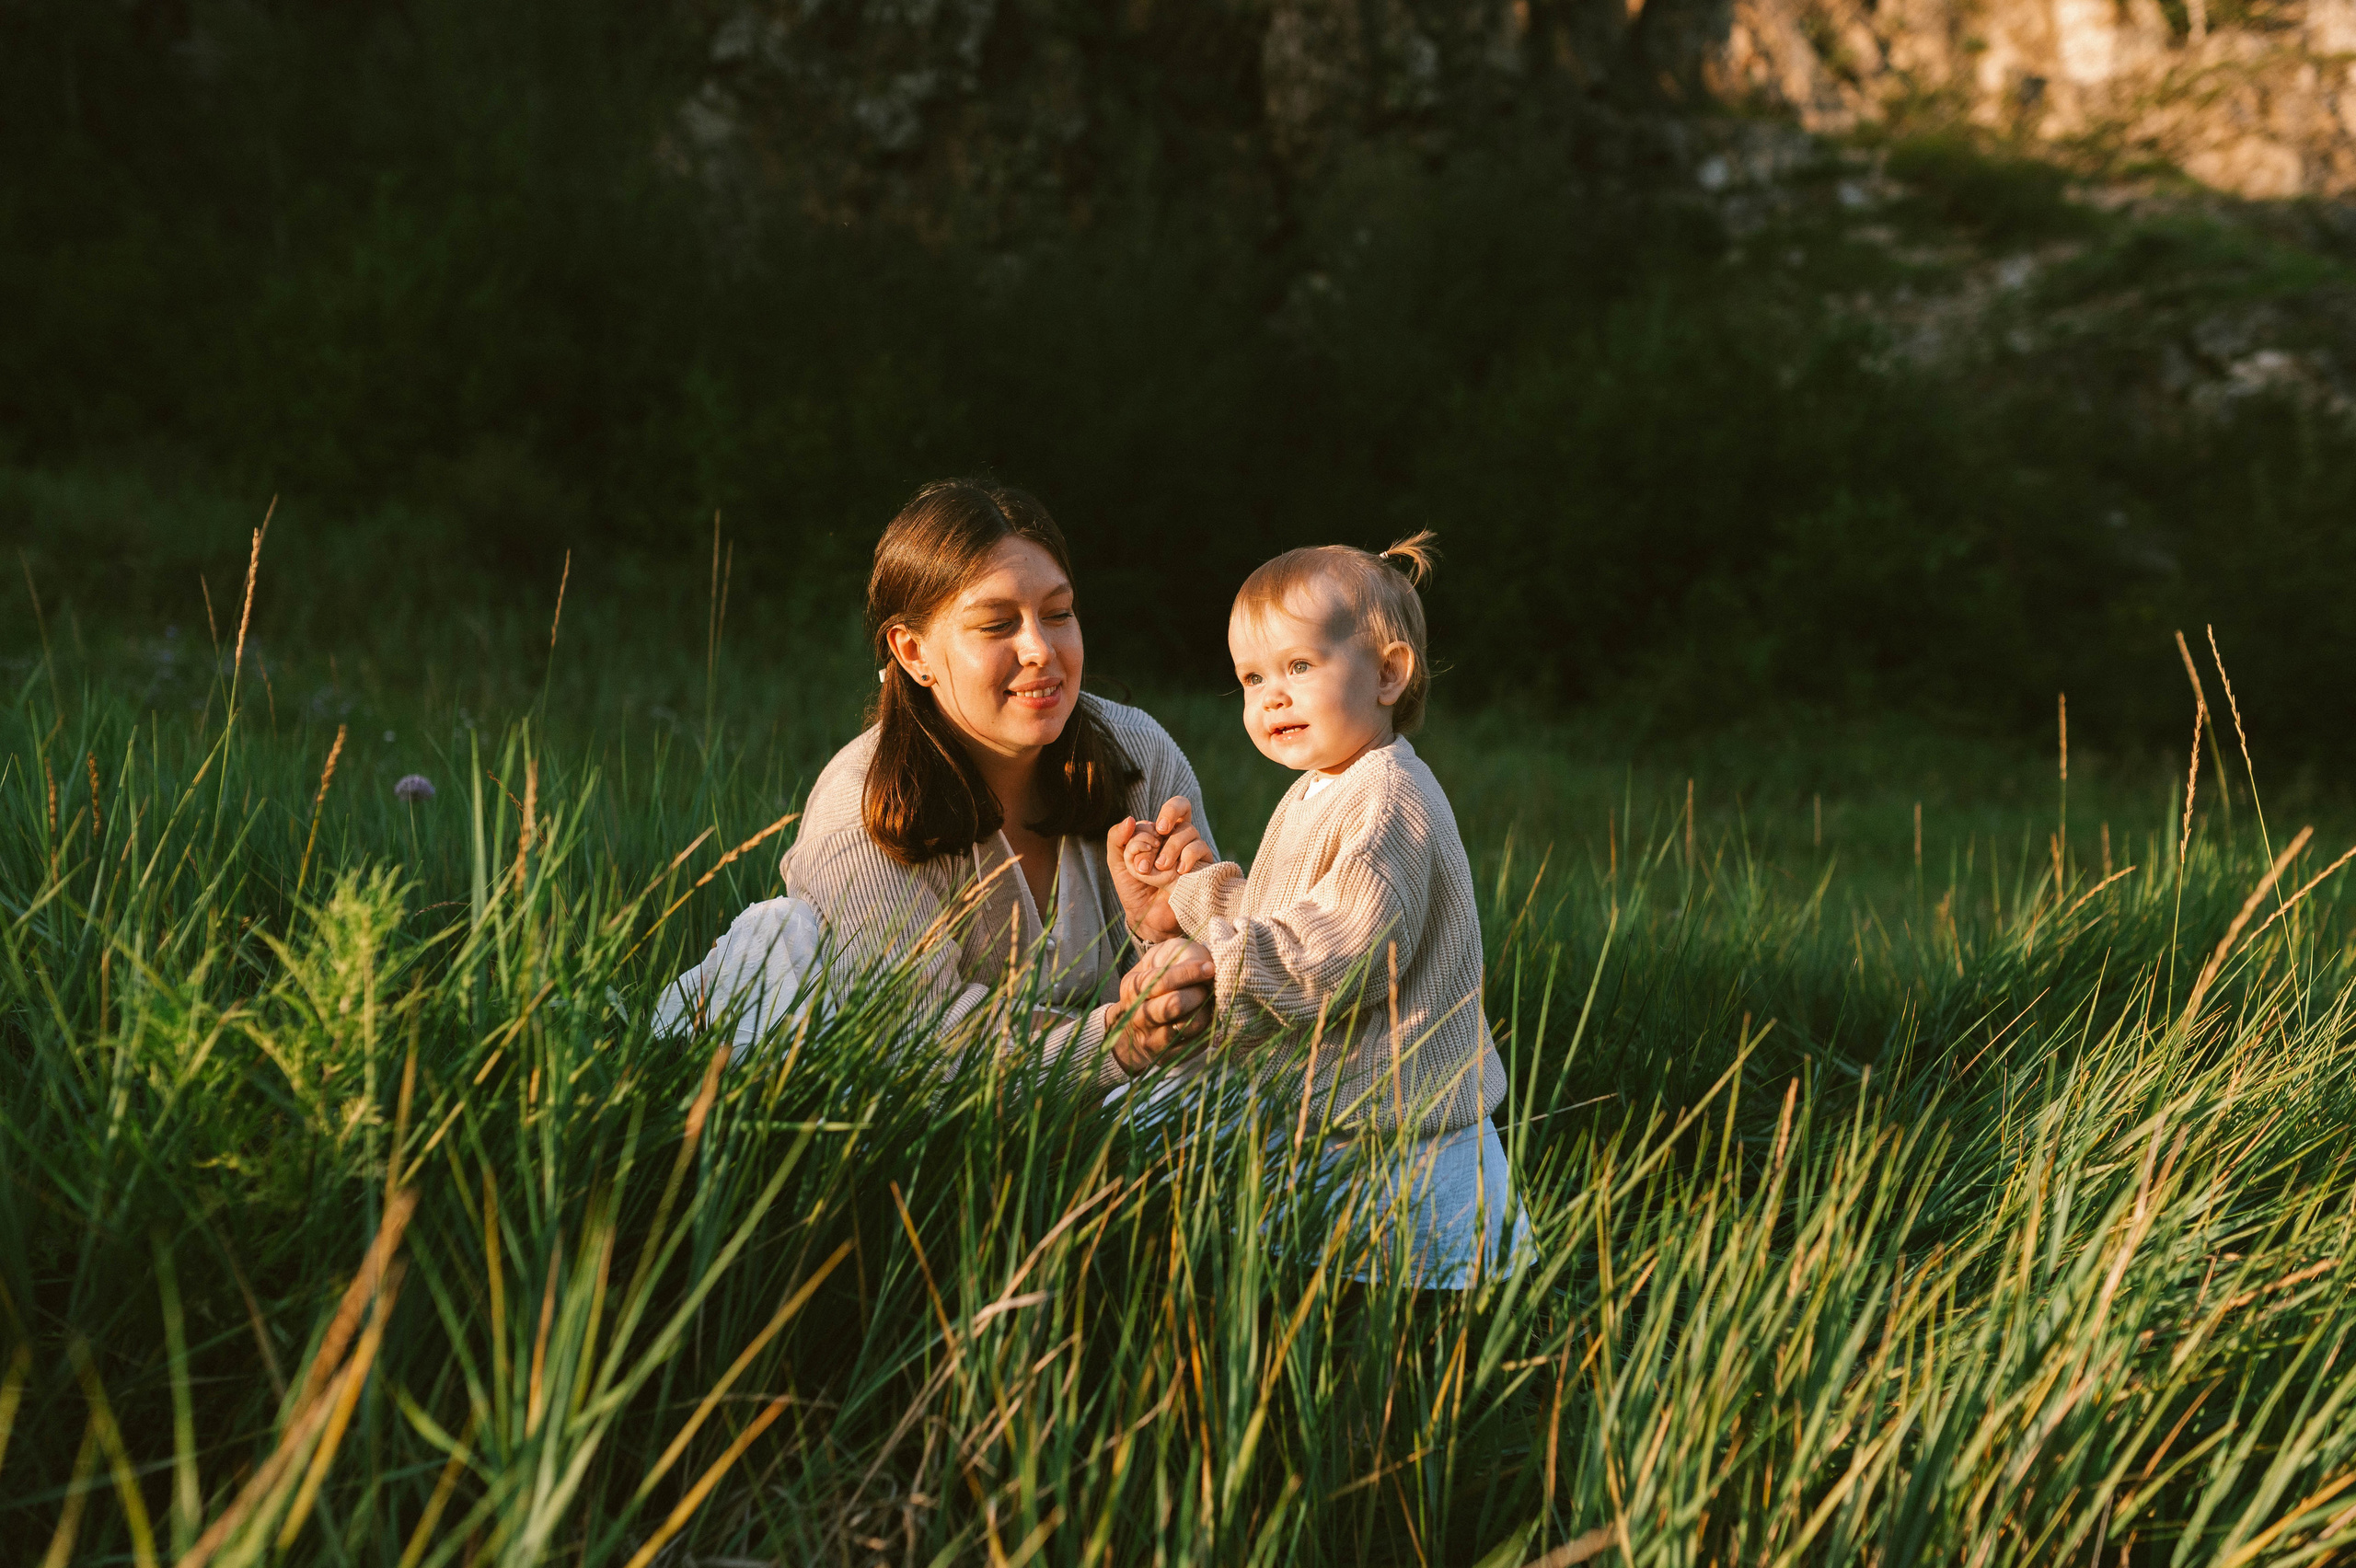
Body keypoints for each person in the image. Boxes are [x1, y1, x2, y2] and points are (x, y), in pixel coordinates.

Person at [1111, 531, 1527, 1286]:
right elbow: (1283, 913)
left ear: (1388, 675)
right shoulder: (1320, 787)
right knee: (1303, 1282)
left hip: (1399, 1133)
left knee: (1395, 1304)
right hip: (1336, 1110)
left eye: (1299, 666)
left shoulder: (1388, 802)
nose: (1272, 695)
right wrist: (1190, 890)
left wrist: (1216, 961)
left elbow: (1338, 952)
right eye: (1251, 677)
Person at [780, 478, 1218, 1082]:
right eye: (995, 625)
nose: (1040, 648)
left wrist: (1172, 937)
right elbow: (919, 1039)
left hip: (1131, 1136)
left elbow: (1223, 1017)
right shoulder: (861, 805)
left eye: (1058, 614)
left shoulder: (1136, 754)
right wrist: (1117, 1043)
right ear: (913, 653)